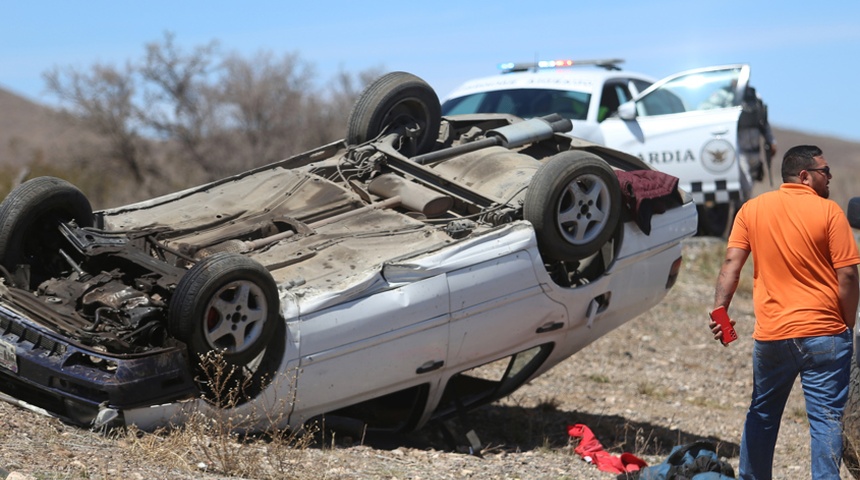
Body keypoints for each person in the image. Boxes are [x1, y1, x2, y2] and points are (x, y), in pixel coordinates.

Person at [710, 145, 860, 479]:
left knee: (762, 415)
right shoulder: (830, 212)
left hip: (773, 336)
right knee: (825, 422)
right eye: (825, 171)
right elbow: (848, 275)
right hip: (825, 335)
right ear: (805, 176)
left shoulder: (752, 210)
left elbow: (731, 264)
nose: (830, 176)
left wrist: (721, 314)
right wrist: (846, 322)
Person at [738, 86, 777, 183]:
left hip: (755, 151)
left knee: (753, 179)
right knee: (745, 182)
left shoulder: (756, 97)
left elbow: (764, 123)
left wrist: (771, 141)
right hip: (740, 150)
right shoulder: (731, 96)